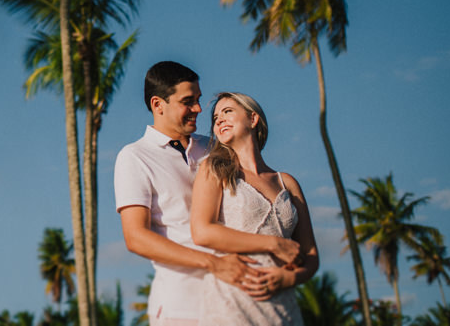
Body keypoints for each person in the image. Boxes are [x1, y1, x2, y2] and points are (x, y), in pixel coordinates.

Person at [114, 61, 259, 326]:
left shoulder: (215, 147)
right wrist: (214, 263)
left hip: (236, 300)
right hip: (179, 307)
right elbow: (136, 238)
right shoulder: (134, 157)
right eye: (187, 101)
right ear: (158, 105)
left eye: (198, 100)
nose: (199, 109)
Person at [190, 92, 318, 325]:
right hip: (233, 301)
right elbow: (202, 232)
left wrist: (289, 278)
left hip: (283, 305)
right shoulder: (213, 168)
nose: (219, 120)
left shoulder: (287, 182)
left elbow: (310, 255)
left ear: (253, 118)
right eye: (216, 118)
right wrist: (274, 244)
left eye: (228, 111)